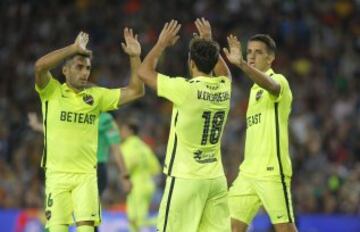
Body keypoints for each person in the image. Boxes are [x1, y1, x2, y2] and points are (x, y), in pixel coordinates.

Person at [34, 28, 143, 232]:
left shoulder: (96, 96)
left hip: (86, 176)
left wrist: (135, 58)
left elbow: (137, 91)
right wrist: (73, 49)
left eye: (88, 68)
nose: (85, 72)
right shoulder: (52, 92)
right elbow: (40, 66)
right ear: (65, 70)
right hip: (57, 176)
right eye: (79, 67)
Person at [137, 18, 232, 232]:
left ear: (191, 63)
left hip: (185, 178)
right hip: (216, 179)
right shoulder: (225, 87)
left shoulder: (186, 89)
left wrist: (161, 44)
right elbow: (225, 73)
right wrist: (208, 41)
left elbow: (143, 72)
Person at [224, 34, 297, 232]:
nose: (252, 57)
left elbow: (272, 87)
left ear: (270, 58)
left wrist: (241, 65)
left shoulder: (278, 80)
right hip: (248, 172)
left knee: (285, 229)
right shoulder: (253, 89)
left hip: (272, 171)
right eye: (249, 52)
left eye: (258, 53)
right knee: (229, 226)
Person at [119, 121, 161, 232]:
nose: (121, 132)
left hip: (135, 185)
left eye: (123, 130)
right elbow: (156, 168)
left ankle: (162, 220)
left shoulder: (127, 146)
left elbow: (130, 164)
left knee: (136, 220)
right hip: (148, 185)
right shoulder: (145, 146)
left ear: (131, 131)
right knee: (135, 219)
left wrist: (125, 177)